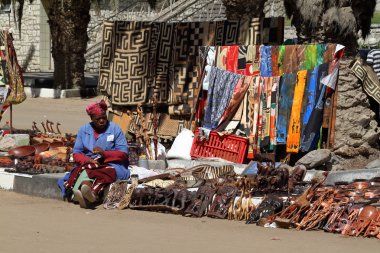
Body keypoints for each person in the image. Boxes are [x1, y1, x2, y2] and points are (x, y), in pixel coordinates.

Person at [58, 100, 129, 208]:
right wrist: (87, 160)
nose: (102, 121)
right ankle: (87, 193)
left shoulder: (115, 129)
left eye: (104, 118)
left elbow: (123, 153)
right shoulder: (83, 130)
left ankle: (87, 194)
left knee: (100, 171)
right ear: (91, 119)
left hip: (113, 165)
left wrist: (104, 154)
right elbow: (77, 153)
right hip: (89, 164)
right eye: (98, 119)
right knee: (88, 168)